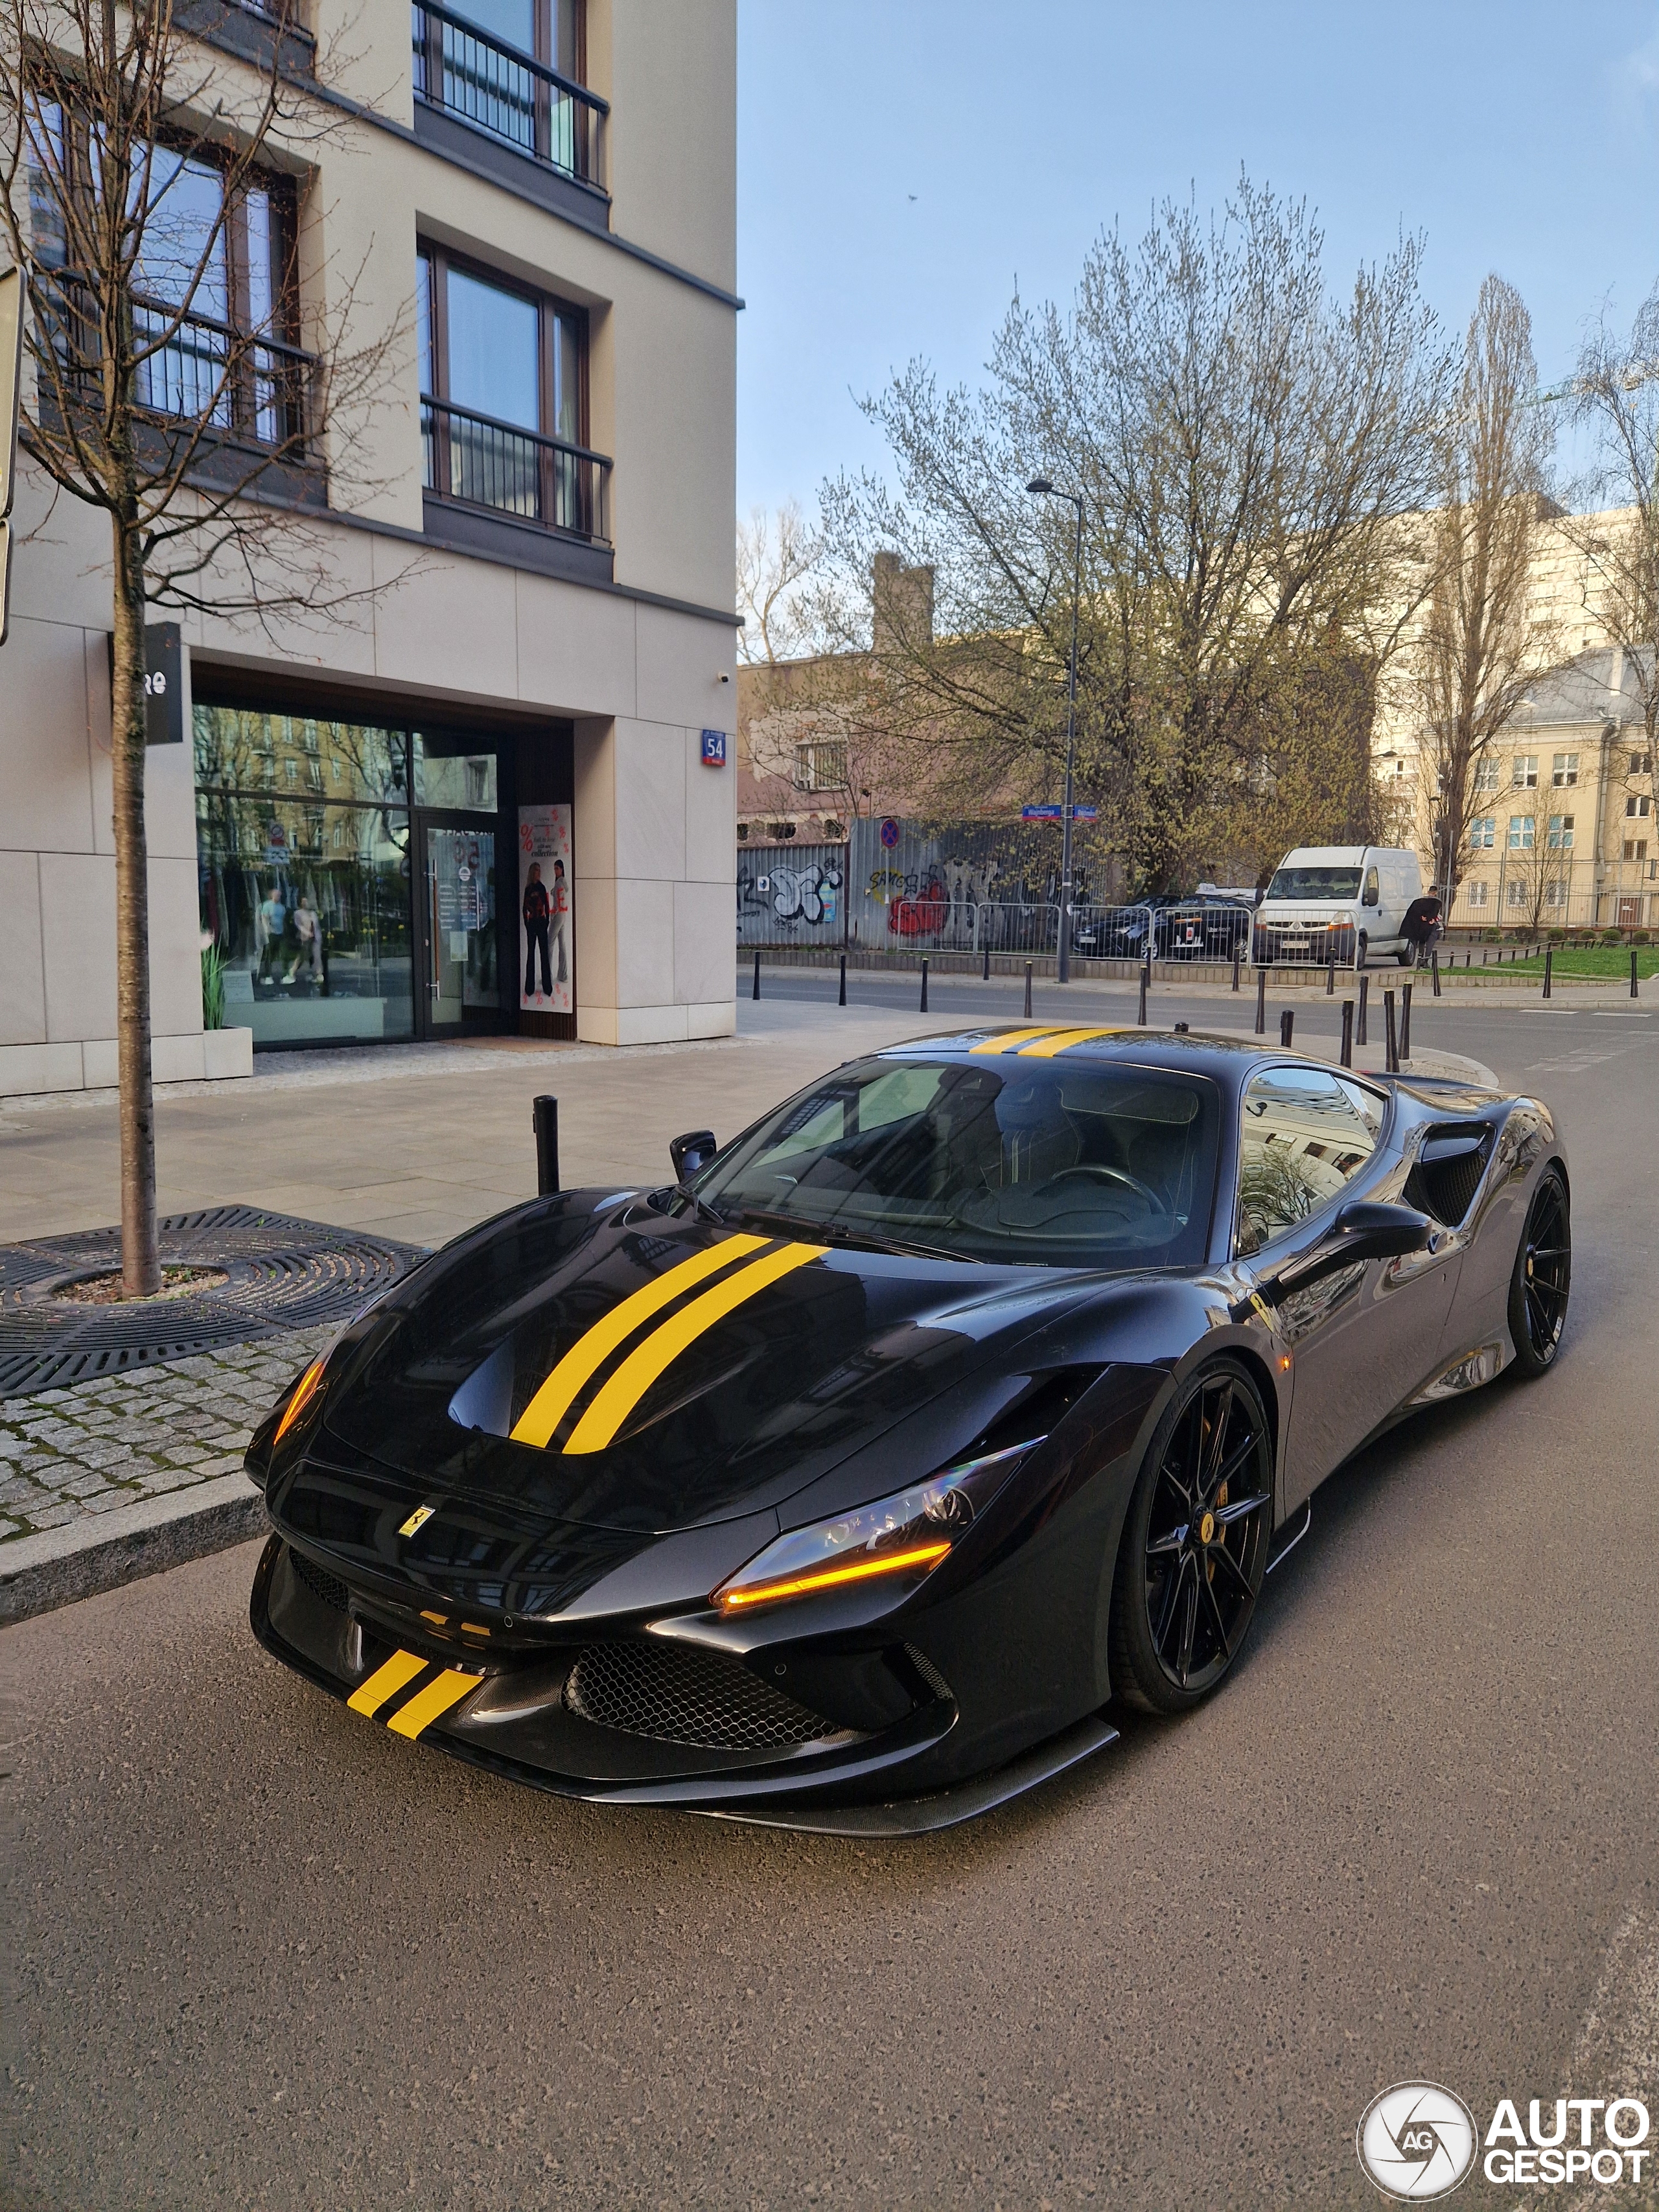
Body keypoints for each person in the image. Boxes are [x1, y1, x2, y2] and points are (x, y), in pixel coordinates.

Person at [522, 860, 552, 1000]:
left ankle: (548, 987)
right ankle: (529, 988)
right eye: (536, 870)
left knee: (544, 954)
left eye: (540, 870)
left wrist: (546, 921)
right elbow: (524, 908)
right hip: (532, 924)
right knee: (531, 955)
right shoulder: (528, 889)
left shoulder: (542, 888)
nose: (539, 873)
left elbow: (547, 905)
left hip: (541, 922)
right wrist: (527, 923)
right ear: (532, 872)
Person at [550, 857, 570, 986]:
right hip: (563, 915)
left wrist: (553, 914)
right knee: (562, 945)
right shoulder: (563, 882)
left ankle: (548, 975)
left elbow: (559, 901)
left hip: (558, 915)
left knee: (549, 944)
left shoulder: (559, 883)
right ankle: (563, 974)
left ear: (562, 869)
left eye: (557, 868)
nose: (555, 871)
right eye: (554, 869)